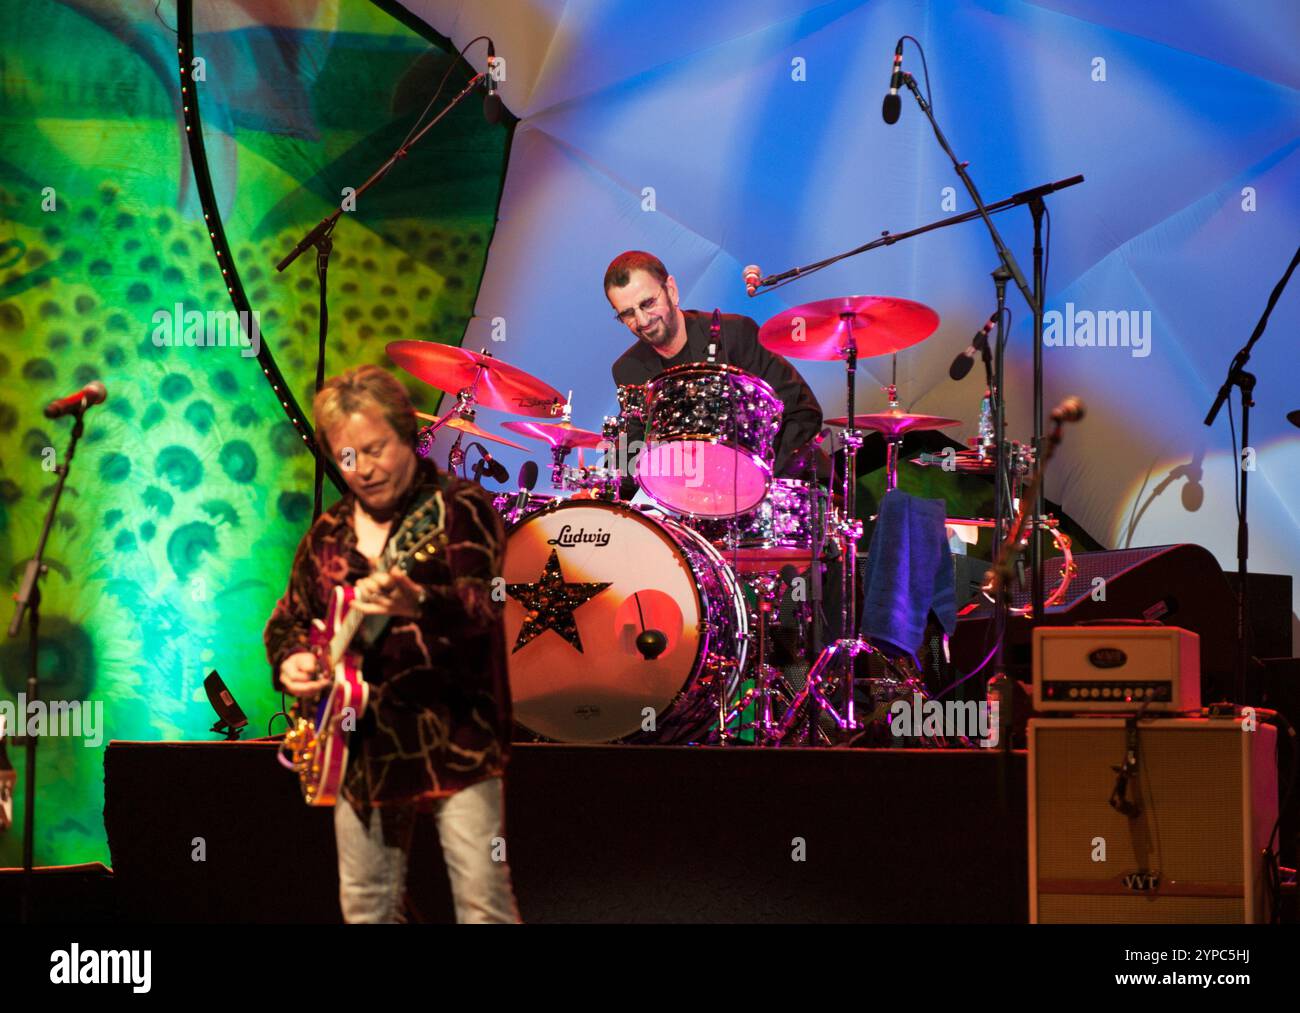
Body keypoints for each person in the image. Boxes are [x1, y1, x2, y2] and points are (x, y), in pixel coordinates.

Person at [264, 365, 520, 924]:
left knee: (483, 905)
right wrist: (294, 661)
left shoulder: (459, 508)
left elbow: (487, 605)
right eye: (347, 457)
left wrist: (420, 604)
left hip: (455, 733)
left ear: (407, 434)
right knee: (367, 909)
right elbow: (286, 622)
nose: (362, 470)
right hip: (359, 746)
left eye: (376, 449)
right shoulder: (328, 534)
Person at [605, 250, 823, 493]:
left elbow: (803, 411)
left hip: (777, 495)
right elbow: (631, 458)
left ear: (671, 290)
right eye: (627, 314)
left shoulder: (736, 334)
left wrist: (755, 481)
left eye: (648, 303)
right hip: (699, 507)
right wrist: (604, 490)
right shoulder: (628, 370)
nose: (642, 320)